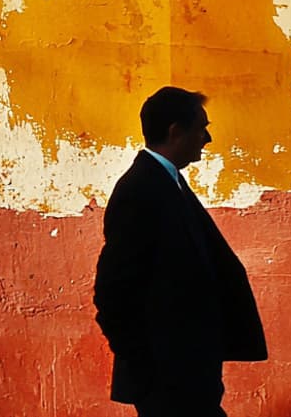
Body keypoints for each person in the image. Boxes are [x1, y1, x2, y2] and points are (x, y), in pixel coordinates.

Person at [93, 86, 267, 416]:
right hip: (167, 378)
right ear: (176, 132)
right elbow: (112, 292)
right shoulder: (141, 189)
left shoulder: (166, 182)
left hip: (184, 374)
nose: (207, 138)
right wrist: (146, 365)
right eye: (201, 128)